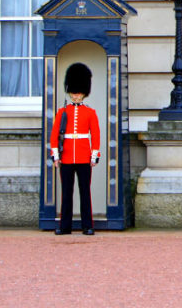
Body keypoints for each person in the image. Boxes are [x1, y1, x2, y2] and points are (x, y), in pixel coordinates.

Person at [50, 62, 101, 235]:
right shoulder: (62, 112)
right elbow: (55, 135)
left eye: (78, 93)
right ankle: (65, 226)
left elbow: (95, 135)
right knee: (66, 193)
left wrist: (94, 155)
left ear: (84, 93)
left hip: (84, 156)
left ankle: (87, 225)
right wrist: (56, 155)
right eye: (73, 93)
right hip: (66, 157)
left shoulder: (90, 112)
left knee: (85, 192)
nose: (76, 96)